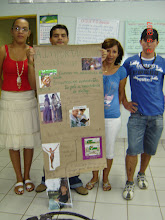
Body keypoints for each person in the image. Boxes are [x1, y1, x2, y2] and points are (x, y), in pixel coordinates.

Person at [35, 24, 88, 195]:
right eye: (56, 35)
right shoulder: (43, 58)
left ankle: (74, 180)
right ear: (50, 39)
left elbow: (89, 72)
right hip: (54, 109)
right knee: (51, 144)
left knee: (72, 145)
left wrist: (99, 57)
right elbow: (41, 84)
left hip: (74, 106)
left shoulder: (77, 56)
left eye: (63, 35)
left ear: (68, 38)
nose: (59, 38)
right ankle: (48, 179)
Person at [122, 28, 165, 200]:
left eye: (152, 40)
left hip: (157, 116)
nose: (149, 43)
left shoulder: (162, 62)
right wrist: (124, 101)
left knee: (149, 149)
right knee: (133, 150)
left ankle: (141, 173)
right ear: (140, 42)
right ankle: (129, 181)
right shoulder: (130, 62)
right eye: (146, 40)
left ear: (157, 43)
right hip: (137, 115)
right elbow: (120, 80)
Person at [0, 17, 41, 195]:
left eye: (24, 29)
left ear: (29, 33)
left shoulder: (33, 51)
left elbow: (34, 84)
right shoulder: (3, 50)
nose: (20, 32)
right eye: (17, 28)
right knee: (14, 141)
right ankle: (18, 178)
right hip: (8, 99)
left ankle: (27, 175)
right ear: (12, 31)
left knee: (28, 141)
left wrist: (31, 61)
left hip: (28, 98)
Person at [86, 38, 127, 191]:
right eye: (107, 50)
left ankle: (106, 178)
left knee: (109, 150)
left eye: (114, 51)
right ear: (102, 51)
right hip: (92, 116)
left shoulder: (122, 71)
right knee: (93, 149)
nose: (110, 54)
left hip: (112, 117)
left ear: (118, 54)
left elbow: (121, 94)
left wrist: (128, 104)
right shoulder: (92, 66)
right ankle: (94, 177)